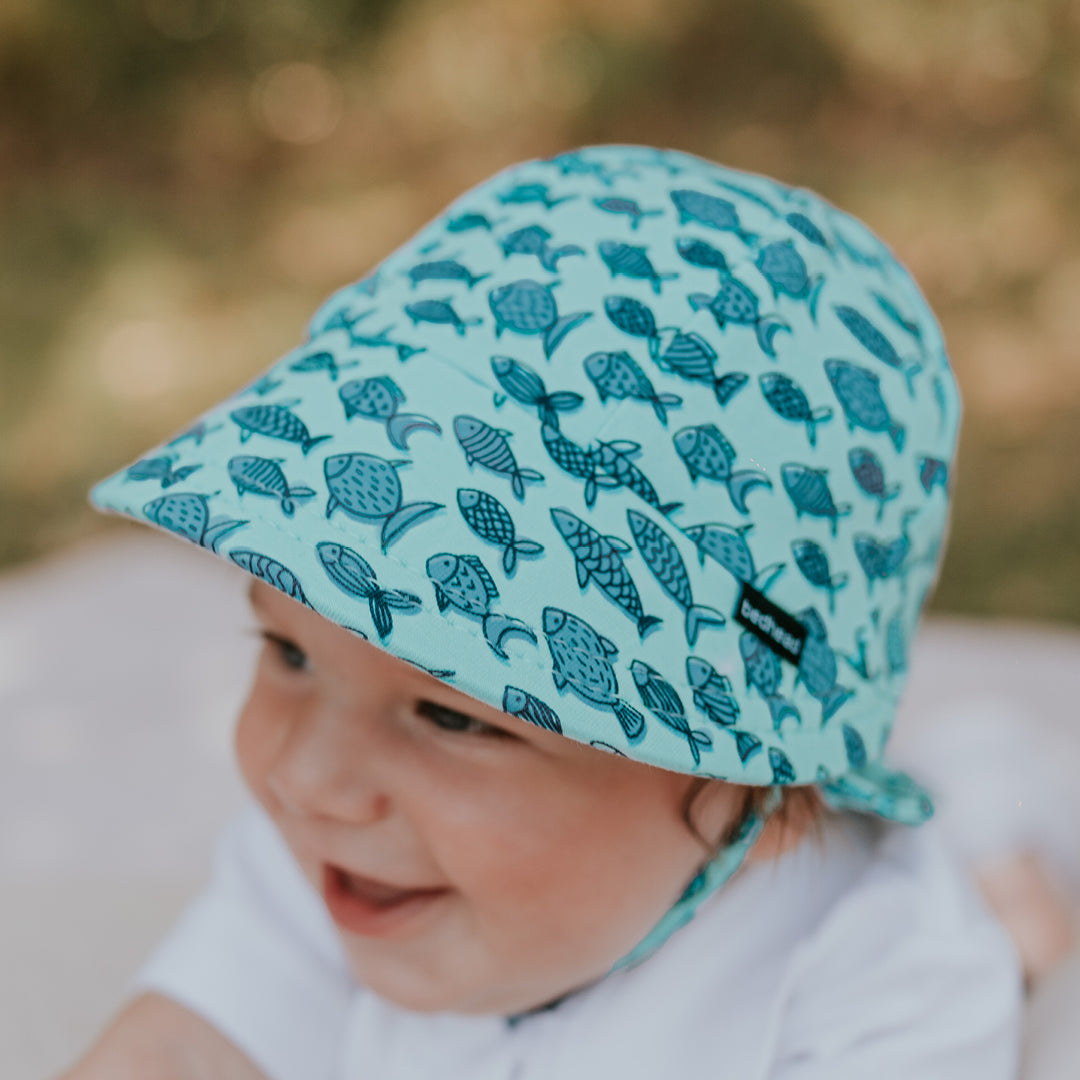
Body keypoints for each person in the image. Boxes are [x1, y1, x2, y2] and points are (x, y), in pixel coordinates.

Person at [62, 145, 1022, 1079]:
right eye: (288, 652)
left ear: (752, 780)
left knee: (1007, 858)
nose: (307, 780)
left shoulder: (880, 994)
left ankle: (1007, 840)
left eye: (453, 715)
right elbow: (178, 1047)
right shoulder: (331, 864)